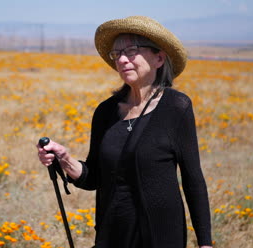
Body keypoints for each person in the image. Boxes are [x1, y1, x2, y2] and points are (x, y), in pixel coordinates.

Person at [37, 16, 213, 248]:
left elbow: (192, 179)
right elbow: (95, 178)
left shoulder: (176, 107)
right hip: (113, 234)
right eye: (116, 53)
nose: (121, 59)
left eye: (131, 51)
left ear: (159, 58)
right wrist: (65, 159)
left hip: (161, 236)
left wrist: (205, 243)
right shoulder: (105, 112)